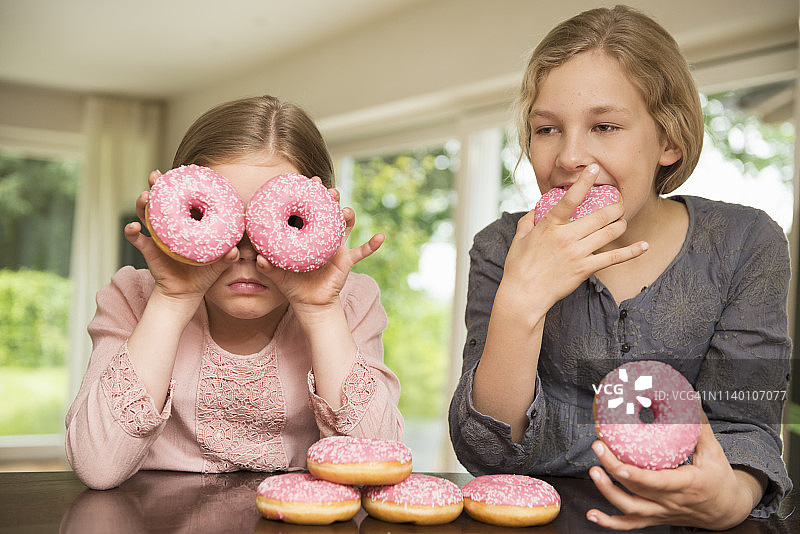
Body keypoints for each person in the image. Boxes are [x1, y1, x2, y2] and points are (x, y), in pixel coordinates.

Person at [448, 5, 791, 530]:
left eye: (604, 125)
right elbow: (488, 453)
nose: (570, 156)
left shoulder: (745, 244)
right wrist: (520, 302)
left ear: (669, 141)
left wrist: (729, 497)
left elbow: (746, 428)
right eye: (546, 129)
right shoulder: (501, 247)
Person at [66, 95, 404, 490]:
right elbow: (98, 466)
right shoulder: (135, 297)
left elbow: (375, 466)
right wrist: (172, 300)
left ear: (318, 218)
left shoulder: (347, 303)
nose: (244, 250)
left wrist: (319, 311)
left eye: (285, 220)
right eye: (217, 217)